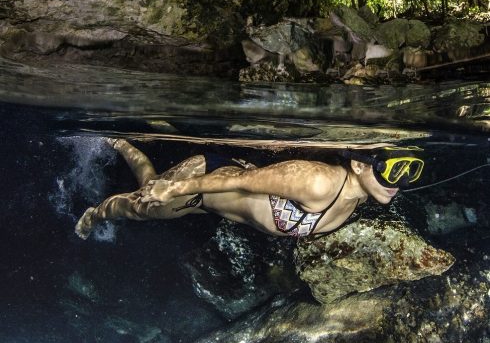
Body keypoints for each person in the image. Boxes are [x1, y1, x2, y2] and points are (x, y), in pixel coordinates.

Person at [75, 139, 424, 240]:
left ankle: (129, 151)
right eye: (393, 171)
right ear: (360, 165)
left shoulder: (356, 197)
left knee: (148, 189)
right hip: (205, 180)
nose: (401, 184)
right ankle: (95, 211)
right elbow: (241, 181)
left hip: (210, 203)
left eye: (410, 171)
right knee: (141, 207)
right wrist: (176, 188)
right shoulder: (318, 180)